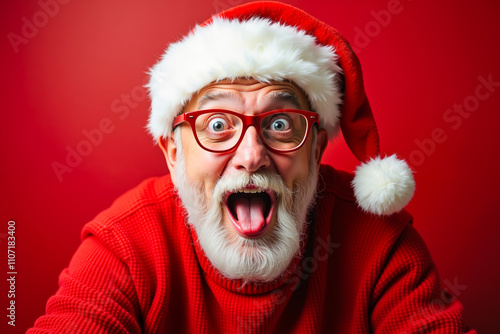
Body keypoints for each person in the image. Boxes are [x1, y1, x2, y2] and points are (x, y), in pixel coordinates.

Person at [28, 2, 475, 333]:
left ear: (316, 147)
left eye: (280, 124)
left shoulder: (378, 242)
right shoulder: (126, 244)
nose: (251, 155)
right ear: (172, 152)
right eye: (218, 124)